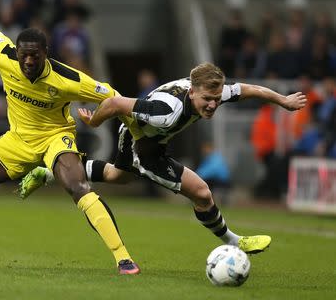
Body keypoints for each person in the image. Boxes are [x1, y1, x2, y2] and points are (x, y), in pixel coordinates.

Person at [0, 13, 140, 275]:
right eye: (24, 55)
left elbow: (115, 98)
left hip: (55, 137)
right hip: (17, 140)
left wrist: (135, 128)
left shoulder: (68, 79)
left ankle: (124, 259)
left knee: (79, 187)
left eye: (35, 56)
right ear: (17, 53)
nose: (29, 61)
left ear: (46, 53)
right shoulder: (5, 58)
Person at [20, 62, 307, 254]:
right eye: (207, 98)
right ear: (192, 91)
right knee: (203, 193)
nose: (213, 104)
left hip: (143, 137)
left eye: (217, 99)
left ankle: (48, 172)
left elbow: (247, 89)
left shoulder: (211, 92)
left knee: (116, 175)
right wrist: (93, 123)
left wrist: (283, 100)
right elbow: (117, 102)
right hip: (144, 148)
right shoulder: (166, 111)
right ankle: (235, 243)